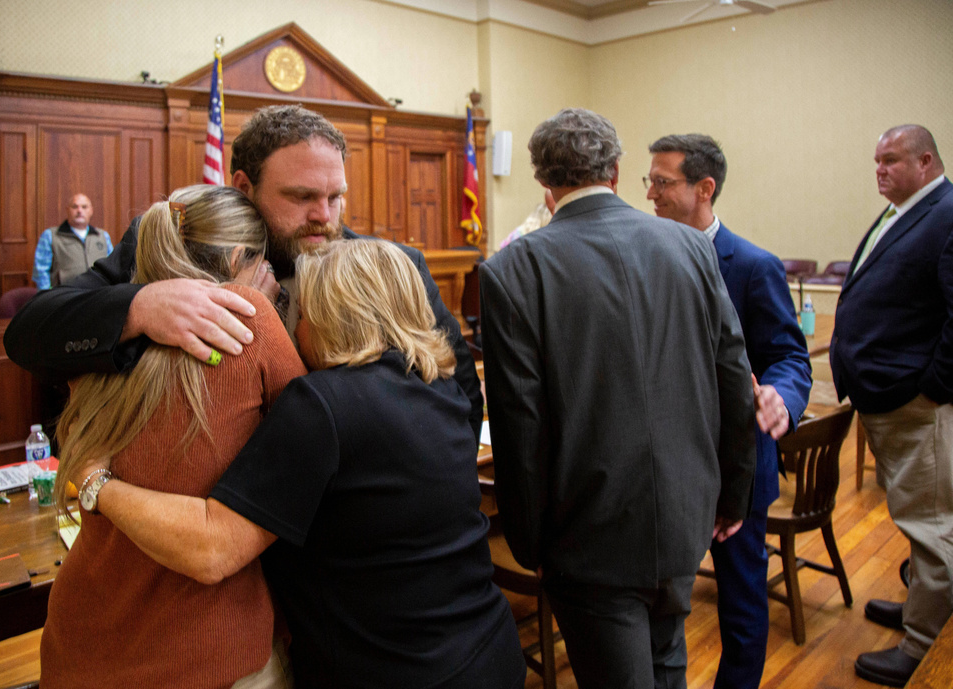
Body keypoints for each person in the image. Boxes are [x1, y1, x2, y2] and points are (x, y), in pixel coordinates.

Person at [68, 239, 527, 689]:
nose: (295, 328)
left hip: (391, 672)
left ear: (331, 317)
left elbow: (211, 550)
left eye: (301, 314)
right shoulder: (439, 385)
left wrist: (95, 481)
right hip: (489, 649)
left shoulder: (324, 406)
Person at [478, 107, 757, 689]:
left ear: (542, 180)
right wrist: (732, 494)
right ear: (617, 169)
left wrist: (528, 542)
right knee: (666, 666)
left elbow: (519, 422)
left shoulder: (513, 269)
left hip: (586, 533)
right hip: (685, 512)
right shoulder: (691, 246)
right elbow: (734, 375)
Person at [4, 105, 482, 437]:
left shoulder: (393, 269)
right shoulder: (176, 243)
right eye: (301, 197)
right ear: (242, 186)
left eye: (335, 197)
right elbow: (28, 333)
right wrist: (141, 307)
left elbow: (460, 396)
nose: (325, 216)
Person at [40, 185, 305, 688]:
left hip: (81, 639)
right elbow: (314, 434)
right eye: (263, 261)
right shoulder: (251, 314)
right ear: (235, 258)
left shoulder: (110, 326)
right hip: (203, 653)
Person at [646, 133, 812, 689]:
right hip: (665, 468)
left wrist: (780, 398)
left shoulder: (753, 266)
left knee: (741, 606)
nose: (650, 194)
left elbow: (790, 357)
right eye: (649, 180)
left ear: (704, 188)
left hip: (735, 467)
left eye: (662, 182)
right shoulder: (646, 257)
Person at [831, 124, 953, 687]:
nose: (880, 169)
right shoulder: (905, 211)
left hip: (917, 402)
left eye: (892, 160)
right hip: (890, 398)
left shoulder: (947, 213)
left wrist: (932, 386)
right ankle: (918, 611)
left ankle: (923, 646)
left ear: (927, 161)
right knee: (913, 515)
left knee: (931, 525)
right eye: (876, 160)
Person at [32, 193, 113, 289]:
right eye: (75, 207)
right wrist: (47, 297)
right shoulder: (50, 236)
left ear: (91, 211)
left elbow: (111, 267)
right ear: (67, 210)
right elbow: (40, 271)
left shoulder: (103, 236)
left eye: (84, 207)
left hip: (99, 295)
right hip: (66, 297)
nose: (79, 211)